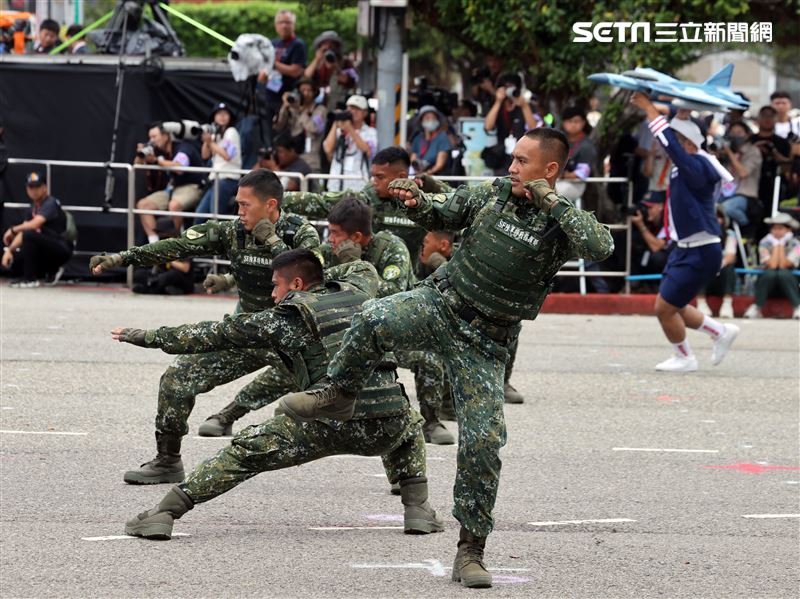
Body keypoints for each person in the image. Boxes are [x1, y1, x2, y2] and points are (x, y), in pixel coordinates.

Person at [277, 127, 615, 588]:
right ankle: (339, 393)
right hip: (440, 305)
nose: (512, 168)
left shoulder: (562, 222)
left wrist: (550, 201)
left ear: (549, 169)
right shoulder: (494, 195)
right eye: (512, 159)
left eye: (522, 161)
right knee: (374, 316)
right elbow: (445, 210)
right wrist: (415, 201)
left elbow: (601, 247)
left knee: (482, 443)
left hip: (485, 342)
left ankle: (470, 552)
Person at [115, 250, 444, 540]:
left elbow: (216, 334)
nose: (272, 294)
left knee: (245, 451)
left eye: (276, 285)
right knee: (409, 422)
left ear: (297, 285)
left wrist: (150, 336)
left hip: (326, 423)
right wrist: (340, 257)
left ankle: (164, 513)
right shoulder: (361, 290)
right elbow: (362, 267)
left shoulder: (289, 318)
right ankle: (418, 509)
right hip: (387, 425)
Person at [89, 169, 321, 483]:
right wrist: (122, 257)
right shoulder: (231, 231)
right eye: (237, 204)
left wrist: (273, 242)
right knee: (177, 378)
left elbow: (314, 281)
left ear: (270, 205)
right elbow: (178, 247)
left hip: (291, 337)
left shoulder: (300, 233)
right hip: (246, 332)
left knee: (357, 394)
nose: (239, 212)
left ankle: (406, 469)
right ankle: (168, 460)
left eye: (245, 205)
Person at [631, 92, 740, 373]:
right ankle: (719, 332)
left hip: (701, 250)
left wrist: (648, 109)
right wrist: (680, 112)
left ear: (689, 143)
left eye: (680, 141)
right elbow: (673, 141)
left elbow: (670, 143)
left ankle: (685, 357)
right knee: (674, 304)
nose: (672, 147)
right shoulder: (692, 162)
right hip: (686, 248)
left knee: (664, 308)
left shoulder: (699, 165)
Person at [283, 146, 429, 263]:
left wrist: (434, 186)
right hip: (361, 271)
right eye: (373, 176)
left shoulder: (418, 203)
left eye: (380, 177)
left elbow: (448, 214)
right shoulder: (364, 200)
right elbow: (318, 202)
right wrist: (277, 199)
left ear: (401, 176)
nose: (374, 182)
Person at [2, 171, 74, 288]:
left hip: (62, 248)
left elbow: (34, 225)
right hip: (46, 249)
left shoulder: (50, 203)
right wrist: (9, 251)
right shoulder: (32, 209)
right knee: (15, 261)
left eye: (37, 187)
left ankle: (30, 279)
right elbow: (23, 232)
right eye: (30, 187)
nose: (33, 190)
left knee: (29, 235)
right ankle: (51, 270)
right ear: (26, 189)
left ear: (44, 188)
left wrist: (12, 230)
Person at [134, 122, 204, 241]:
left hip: (192, 186)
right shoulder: (156, 150)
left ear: (166, 135)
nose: (152, 140)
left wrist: (156, 160)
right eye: (150, 137)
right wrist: (140, 154)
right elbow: (137, 166)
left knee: (174, 205)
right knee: (143, 205)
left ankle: (175, 246)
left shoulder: (183, 147)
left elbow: (179, 168)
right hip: (172, 189)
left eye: (154, 137)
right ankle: (154, 246)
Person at [258, 9, 307, 148]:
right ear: (276, 25)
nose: (284, 26)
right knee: (270, 136)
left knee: (284, 138)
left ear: (293, 25)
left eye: (288, 22)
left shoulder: (298, 45)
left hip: (287, 99)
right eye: (281, 22)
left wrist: (274, 64)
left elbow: (296, 71)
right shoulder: (273, 44)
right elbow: (265, 70)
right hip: (269, 96)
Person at [743, 213, 800, 319]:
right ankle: (757, 307)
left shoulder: (796, 244)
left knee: (783, 273)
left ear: (789, 230)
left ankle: (797, 307)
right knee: (770, 273)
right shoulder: (765, 242)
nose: (776, 232)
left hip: (790, 282)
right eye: (774, 228)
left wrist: (781, 244)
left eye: (780, 228)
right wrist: (776, 244)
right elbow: (773, 265)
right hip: (768, 282)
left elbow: (783, 265)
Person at [482, 73, 538, 175]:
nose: (509, 91)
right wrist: (498, 101)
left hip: (522, 154)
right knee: (501, 186)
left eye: (512, 87)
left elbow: (534, 129)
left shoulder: (526, 105)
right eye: (506, 87)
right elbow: (488, 127)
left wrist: (524, 106)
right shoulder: (496, 106)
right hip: (501, 156)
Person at [195, 103, 241, 224]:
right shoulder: (216, 135)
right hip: (216, 180)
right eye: (219, 114)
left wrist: (210, 143)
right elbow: (204, 155)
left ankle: (216, 242)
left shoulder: (231, 132)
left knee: (214, 216)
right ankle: (194, 242)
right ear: (214, 117)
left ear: (230, 117)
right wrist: (207, 140)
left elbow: (227, 156)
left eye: (225, 114)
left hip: (227, 179)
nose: (222, 116)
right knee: (199, 215)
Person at [274, 77, 328, 172]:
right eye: (303, 90)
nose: (306, 94)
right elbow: (278, 126)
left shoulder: (320, 110)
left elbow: (315, 128)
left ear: (315, 92)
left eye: (309, 90)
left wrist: (300, 110)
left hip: (311, 161)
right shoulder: (292, 107)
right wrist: (285, 106)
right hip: (292, 160)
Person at [324, 95, 377, 192]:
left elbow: (368, 151)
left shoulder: (371, 132)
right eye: (350, 109)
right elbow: (327, 149)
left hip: (359, 185)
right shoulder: (340, 130)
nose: (353, 112)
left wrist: (350, 129)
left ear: (365, 113)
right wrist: (335, 124)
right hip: (336, 184)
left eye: (357, 109)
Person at [132, 217, 194, 296]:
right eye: (158, 233)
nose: (160, 236)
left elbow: (185, 268)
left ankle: (150, 289)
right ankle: (156, 287)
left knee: (171, 275)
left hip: (182, 279)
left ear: (170, 233)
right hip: (162, 277)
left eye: (162, 233)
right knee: (139, 273)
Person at [751, 106, 792, 226]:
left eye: (771, 116)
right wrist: (754, 149)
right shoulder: (750, 140)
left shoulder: (782, 142)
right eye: (764, 116)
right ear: (758, 119)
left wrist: (774, 153)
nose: (767, 119)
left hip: (775, 183)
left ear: (776, 119)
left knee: (772, 212)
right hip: (753, 183)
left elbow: (787, 166)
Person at [718, 121, 762, 228]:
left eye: (739, 132)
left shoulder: (753, 151)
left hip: (746, 195)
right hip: (726, 193)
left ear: (747, 135)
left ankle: (746, 229)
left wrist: (730, 154)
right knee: (710, 206)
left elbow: (743, 173)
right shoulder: (730, 151)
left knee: (727, 208)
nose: (735, 136)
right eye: (732, 133)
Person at [696, 207, 738, 319]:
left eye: (718, 217)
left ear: (723, 220)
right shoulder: (700, 234)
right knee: (699, 266)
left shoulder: (730, 234)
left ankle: (727, 304)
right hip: (706, 276)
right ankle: (701, 303)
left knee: (730, 267)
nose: (715, 220)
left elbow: (730, 255)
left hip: (721, 275)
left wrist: (719, 264)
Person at [629, 196, 673, 287]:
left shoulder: (667, 220)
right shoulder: (649, 221)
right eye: (645, 207)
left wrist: (641, 225)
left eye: (650, 207)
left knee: (656, 257)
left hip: (670, 262)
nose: (646, 211)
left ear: (660, 206)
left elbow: (656, 246)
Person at [557, 106, 597, 203]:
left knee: (555, 193)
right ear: (564, 123)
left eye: (576, 121)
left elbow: (582, 173)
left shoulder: (586, 145)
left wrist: (563, 175)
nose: (573, 124)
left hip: (575, 184)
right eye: (569, 121)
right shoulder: (558, 140)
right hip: (556, 180)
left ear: (583, 123)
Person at [409, 106, 452, 176]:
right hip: (419, 175)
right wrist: (416, 171)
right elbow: (413, 160)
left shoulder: (442, 137)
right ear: (421, 121)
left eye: (433, 118)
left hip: (435, 177)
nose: (431, 120)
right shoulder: (418, 139)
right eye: (427, 118)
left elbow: (439, 164)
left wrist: (427, 173)